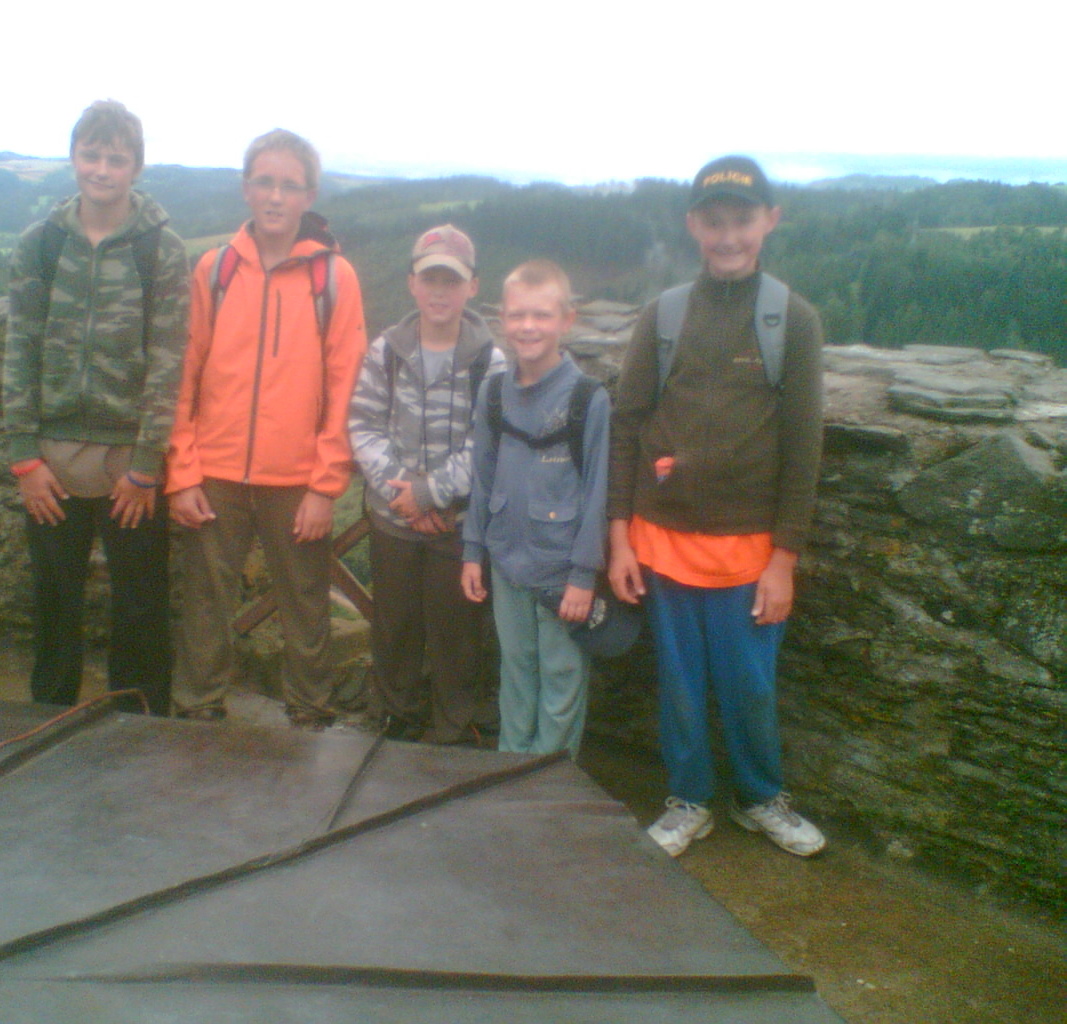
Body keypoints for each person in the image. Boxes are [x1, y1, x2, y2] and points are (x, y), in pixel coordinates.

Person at [607, 155, 827, 857]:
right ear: (693, 226)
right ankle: (689, 800)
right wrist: (619, 539)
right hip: (661, 541)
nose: (728, 236)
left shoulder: (794, 320)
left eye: (742, 220)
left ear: (770, 220)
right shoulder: (664, 315)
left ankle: (760, 798)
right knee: (679, 685)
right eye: (714, 222)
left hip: (751, 551)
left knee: (750, 685)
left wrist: (784, 560)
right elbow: (626, 425)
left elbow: (804, 447)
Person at [166, 129, 366, 729]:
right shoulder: (216, 269)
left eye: (289, 185)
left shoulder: (335, 278)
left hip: (297, 478)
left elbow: (346, 388)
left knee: (306, 604)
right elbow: (184, 374)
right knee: (205, 601)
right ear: (246, 188)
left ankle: (310, 716)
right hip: (215, 471)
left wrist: (325, 486)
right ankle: (197, 711)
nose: (276, 196)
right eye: (265, 182)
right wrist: (182, 473)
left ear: (309, 195)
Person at [2, 99, 189, 716]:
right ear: (73, 156)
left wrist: (146, 466)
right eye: (92, 155)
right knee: (54, 597)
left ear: (137, 166)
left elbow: (168, 359)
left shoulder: (160, 249)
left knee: (140, 603)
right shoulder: (41, 244)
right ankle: (48, 719)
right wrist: (25, 458)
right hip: (52, 459)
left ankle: (139, 723)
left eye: (116, 158)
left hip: (128, 462)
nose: (102, 169)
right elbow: (20, 348)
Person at [348, 225, 504, 743]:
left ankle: (453, 728)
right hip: (394, 521)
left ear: (472, 286)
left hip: (456, 526)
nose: (440, 291)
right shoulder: (387, 351)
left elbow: (488, 444)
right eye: (430, 278)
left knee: (457, 631)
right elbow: (364, 425)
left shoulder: (489, 361)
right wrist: (406, 498)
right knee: (393, 626)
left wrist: (429, 495)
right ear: (412, 283)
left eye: (451, 280)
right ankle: (395, 717)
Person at [461, 261, 610, 757]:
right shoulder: (494, 393)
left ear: (567, 320)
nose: (528, 326)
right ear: (502, 318)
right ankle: (510, 772)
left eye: (542, 315)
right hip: (507, 561)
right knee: (517, 672)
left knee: (562, 677)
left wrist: (584, 575)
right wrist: (473, 550)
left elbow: (598, 492)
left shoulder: (588, 400)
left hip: (562, 571)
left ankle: (550, 783)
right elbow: (482, 476)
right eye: (517, 315)